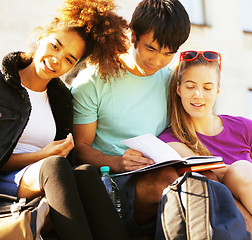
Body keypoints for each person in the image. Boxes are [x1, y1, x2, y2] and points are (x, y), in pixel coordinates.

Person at [0, 0, 130, 239]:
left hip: (45, 178)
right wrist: (43, 155)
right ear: (41, 37)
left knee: (86, 173)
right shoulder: (3, 85)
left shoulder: (61, 99)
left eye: (69, 59)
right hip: (7, 181)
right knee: (55, 166)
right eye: (55, 45)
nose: (56, 59)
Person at [71, 0, 190, 238]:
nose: (157, 61)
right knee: (167, 183)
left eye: (168, 53)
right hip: (113, 181)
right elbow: (80, 148)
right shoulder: (92, 80)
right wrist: (116, 162)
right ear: (133, 35)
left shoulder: (171, 81)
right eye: (151, 48)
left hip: (161, 170)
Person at [158, 50, 252, 232]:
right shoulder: (170, 141)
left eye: (207, 87)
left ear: (217, 89)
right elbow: (216, 174)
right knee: (240, 169)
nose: (198, 95)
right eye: (190, 86)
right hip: (220, 224)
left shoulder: (244, 128)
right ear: (179, 89)